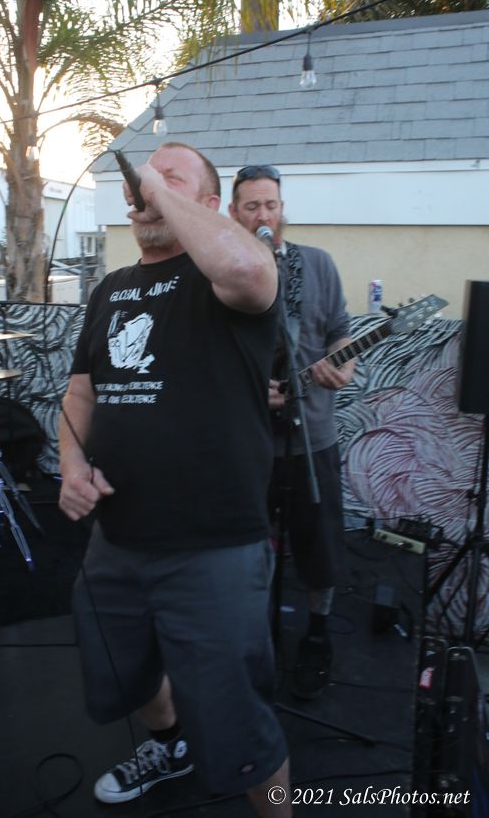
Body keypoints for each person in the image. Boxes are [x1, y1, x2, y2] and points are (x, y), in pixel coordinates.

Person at [59, 143, 294, 816]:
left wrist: (159, 191)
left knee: (241, 727)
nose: (145, 187)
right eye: (143, 178)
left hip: (213, 549)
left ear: (211, 204)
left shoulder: (228, 274)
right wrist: (72, 464)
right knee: (125, 673)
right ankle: (169, 746)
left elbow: (245, 266)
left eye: (170, 178)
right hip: (117, 542)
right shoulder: (110, 289)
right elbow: (80, 393)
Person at [229, 165, 355, 701]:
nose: (263, 214)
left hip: (312, 435)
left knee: (318, 543)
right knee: (242, 545)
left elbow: (340, 330)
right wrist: (247, 390)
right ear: (234, 213)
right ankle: (248, 636)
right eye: (252, 206)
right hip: (247, 438)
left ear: (282, 209)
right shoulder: (223, 274)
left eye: (271, 205)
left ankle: (318, 633)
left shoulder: (317, 264)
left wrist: (344, 363)